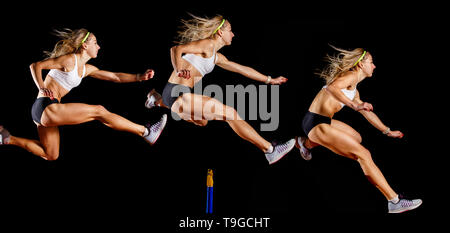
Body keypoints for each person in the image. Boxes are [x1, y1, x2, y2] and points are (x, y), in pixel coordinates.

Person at [145, 14, 295, 164]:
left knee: (203, 122)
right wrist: (178, 69)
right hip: (177, 94)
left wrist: (270, 80)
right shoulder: (208, 45)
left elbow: (241, 69)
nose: (233, 34)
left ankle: (156, 100)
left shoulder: (216, 57)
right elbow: (175, 49)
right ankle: (270, 150)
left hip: (174, 96)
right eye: (230, 30)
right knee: (230, 113)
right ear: (220, 32)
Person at [0, 28, 167, 160]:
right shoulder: (69, 60)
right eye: (95, 42)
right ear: (85, 45)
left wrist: (139, 77)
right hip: (46, 107)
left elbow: (114, 77)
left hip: (44, 112)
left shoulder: (86, 69)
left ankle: (9, 139)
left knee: (51, 155)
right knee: (99, 111)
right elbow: (35, 66)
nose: (99, 46)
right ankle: (145, 132)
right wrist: (42, 87)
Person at [295, 46, 422, 213]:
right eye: (371, 62)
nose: (374, 66)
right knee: (364, 154)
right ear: (361, 64)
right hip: (316, 123)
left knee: (356, 137)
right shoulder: (350, 75)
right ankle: (394, 200)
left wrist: (387, 131)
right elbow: (332, 87)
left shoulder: (354, 88)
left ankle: (306, 144)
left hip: (322, 121)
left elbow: (366, 112)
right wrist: (354, 105)